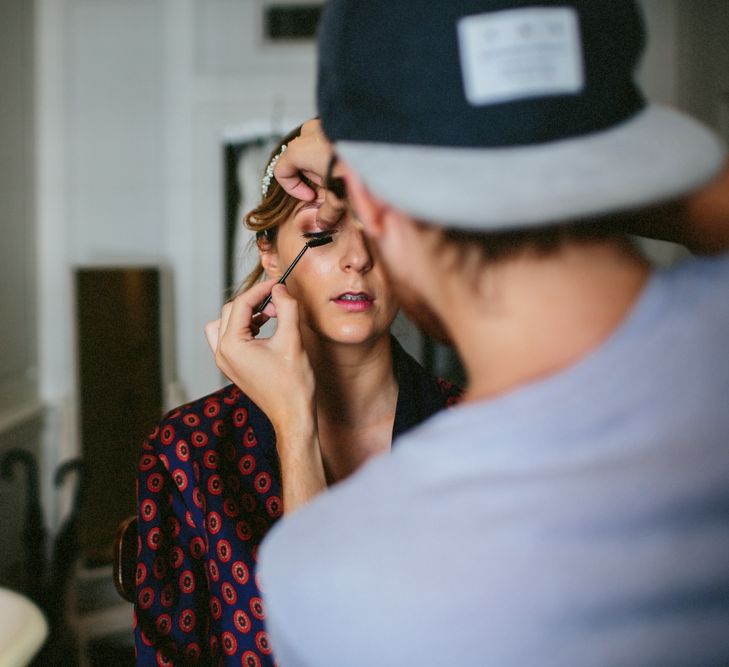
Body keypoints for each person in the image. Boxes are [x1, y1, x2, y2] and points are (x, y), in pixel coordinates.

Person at [209, 1, 729, 665]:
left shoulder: (326, 571)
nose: (353, 257)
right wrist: (549, 149)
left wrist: (294, 425)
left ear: (368, 201)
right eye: (320, 234)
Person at [133, 124, 461, 666]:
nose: (358, 259)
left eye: (381, 233)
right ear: (269, 252)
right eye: (322, 235)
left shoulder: (481, 427)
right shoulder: (187, 451)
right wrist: (294, 426)